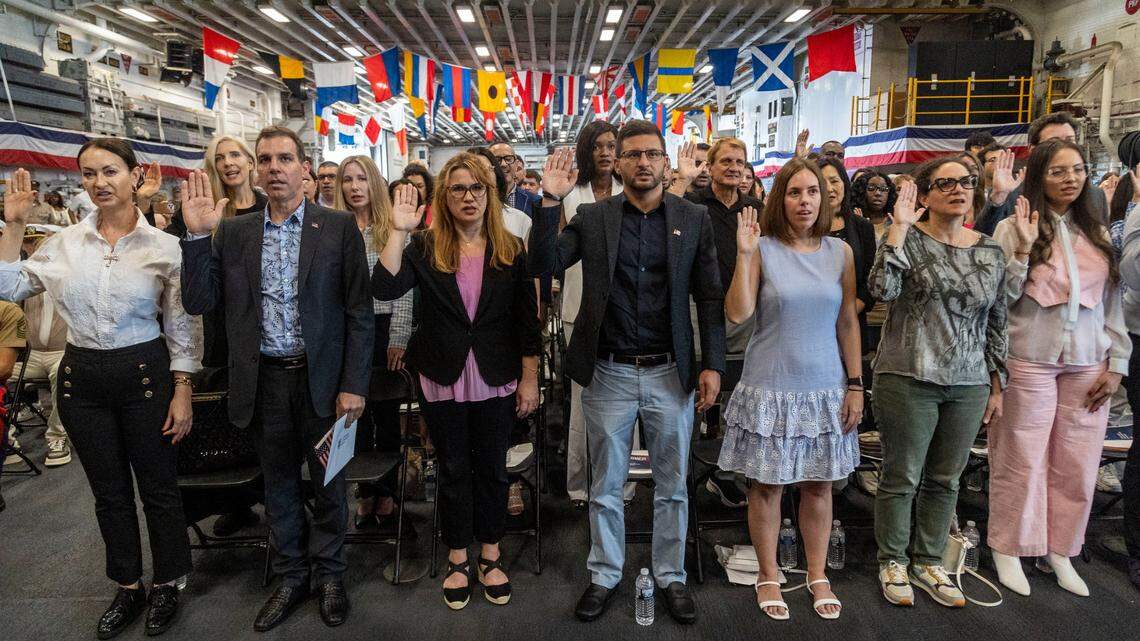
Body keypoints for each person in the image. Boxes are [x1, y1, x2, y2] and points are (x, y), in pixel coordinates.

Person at [0, 141, 203, 638]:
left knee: (158, 489)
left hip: (146, 374)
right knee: (108, 493)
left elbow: (182, 325)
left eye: (110, 171)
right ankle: (128, 585)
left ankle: (169, 582)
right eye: (89, 174)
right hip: (82, 380)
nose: (99, 182)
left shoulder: (165, 248)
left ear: (136, 175)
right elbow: (9, 288)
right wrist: (13, 225)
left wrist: (182, 389)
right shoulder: (65, 243)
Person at [180, 126, 373, 631]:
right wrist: (199, 237)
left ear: (304, 168)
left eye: (284, 158)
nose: (274, 167)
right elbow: (200, 303)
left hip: (324, 383)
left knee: (330, 482)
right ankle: (292, 577)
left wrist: (354, 383)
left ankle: (330, 574)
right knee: (280, 485)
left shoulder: (336, 228)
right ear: (256, 169)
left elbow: (358, 311)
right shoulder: (234, 232)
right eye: (265, 159)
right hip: (263, 382)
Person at [532, 120, 726, 625]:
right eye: (633, 154)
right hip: (608, 372)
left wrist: (713, 366)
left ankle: (671, 575)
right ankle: (605, 573)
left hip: (671, 372)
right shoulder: (593, 217)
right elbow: (546, 262)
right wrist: (549, 203)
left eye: (652, 155)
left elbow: (708, 296)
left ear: (665, 163)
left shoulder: (692, 218)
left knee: (672, 483)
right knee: (606, 485)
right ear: (616, 163)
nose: (643, 162)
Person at [373, 154, 541, 610]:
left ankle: (490, 552)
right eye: (458, 189)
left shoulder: (511, 248)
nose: (468, 197)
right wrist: (400, 229)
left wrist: (530, 380)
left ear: (489, 195)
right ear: (444, 197)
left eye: (477, 188)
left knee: (491, 468)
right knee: (452, 469)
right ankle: (457, 554)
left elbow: (529, 322)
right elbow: (384, 289)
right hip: (442, 376)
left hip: (497, 376)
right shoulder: (425, 247)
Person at [718, 158, 863, 620]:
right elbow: (738, 314)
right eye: (795, 192)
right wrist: (743, 255)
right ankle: (768, 574)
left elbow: (847, 323)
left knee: (820, 488)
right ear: (780, 198)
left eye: (813, 192)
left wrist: (856, 383)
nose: (805, 201)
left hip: (824, 387)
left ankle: (817, 573)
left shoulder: (840, 253)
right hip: (770, 386)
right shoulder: (761, 247)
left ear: (825, 198)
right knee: (767, 488)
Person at [988, 140, 1129, 598]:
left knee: (1078, 462)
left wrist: (1118, 363)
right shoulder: (1013, 227)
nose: (1070, 178)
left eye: (1078, 170)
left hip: (1089, 362)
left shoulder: (1099, 232)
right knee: (1020, 457)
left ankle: (1062, 548)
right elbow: (996, 299)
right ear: (1039, 178)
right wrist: (1023, 253)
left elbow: (1113, 304)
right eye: (1058, 172)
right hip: (1029, 359)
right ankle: (1009, 545)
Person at [869, 157, 1007, 608]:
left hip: (968, 381)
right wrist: (899, 231)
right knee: (902, 475)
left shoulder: (989, 249)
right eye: (944, 183)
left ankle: (929, 560)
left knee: (947, 478)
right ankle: (892, 559)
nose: (957, 189)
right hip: (909, 374)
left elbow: (997, 322)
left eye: (966, 182)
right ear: (923, 195)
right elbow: (882, 291)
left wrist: (996, 383)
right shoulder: (908, 238)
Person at [553, 121, 634, 509]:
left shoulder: (630, 191)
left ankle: (623, 483)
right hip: (577, 307)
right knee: (582, 402)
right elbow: (554, 252)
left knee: (625, 402)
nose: (605, 152)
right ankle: (580, 484)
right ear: (587, 151)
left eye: (611, 145)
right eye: (598, 146)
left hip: (622, 309)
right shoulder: (572, 192)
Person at [334, 155, 414, 532]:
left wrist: (398, 336)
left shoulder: (392, 226)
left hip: (385, 329)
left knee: (386, 419)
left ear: (374, 184)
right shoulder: (332, 229)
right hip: (349, 332)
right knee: (355, 418)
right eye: (348, 179)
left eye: (362, 179)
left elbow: (404, 291)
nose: (354, 187)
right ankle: (365, 492)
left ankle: (388, 493)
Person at [975, 111, 1109, 235]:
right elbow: (982, 242)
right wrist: (999, 196)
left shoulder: (1095, 196)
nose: (1063, 148)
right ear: (1033, 150)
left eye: (1070, 141)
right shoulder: (1012, 197)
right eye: (1053, 142)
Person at [12, 230, 71, 467]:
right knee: (4, 370)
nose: (37, 252)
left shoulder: (69, 278)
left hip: (64, 353)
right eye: (33, 246)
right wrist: (16, 347)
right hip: (32, 355)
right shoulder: (24, 283)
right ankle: (5, 439)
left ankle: (57, 436)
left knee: (61, 371)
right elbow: (15, 318)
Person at [818, 157, 876, 353]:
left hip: (852, 322)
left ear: (844, 183)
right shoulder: (803, 227)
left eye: (834, 181)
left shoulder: (862, 227)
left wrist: (847, 313)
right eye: (821, 182)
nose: (829, 188)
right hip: (812, 322)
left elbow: (870, 279)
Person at [490, 142, 540, 216]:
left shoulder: (536, 202)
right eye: (496, 160)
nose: (503, 164)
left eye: (508, 159)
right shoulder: (477, 199)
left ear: (516, 165)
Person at [403, 163, 435, 227]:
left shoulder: (435, 211)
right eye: (411, 186)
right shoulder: (401, 212)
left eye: (420, 186)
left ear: (427, 187)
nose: (416, 190)